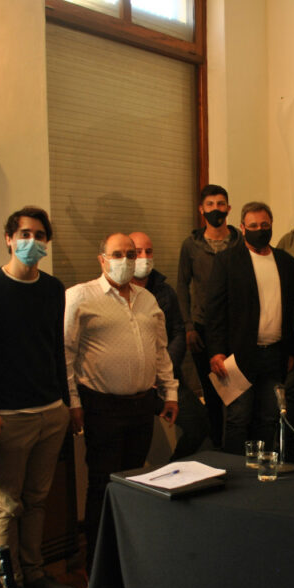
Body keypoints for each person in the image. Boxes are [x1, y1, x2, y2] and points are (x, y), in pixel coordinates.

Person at [0, 206, 76, 588]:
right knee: (6, 504)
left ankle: (35, 572)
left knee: (38, 499)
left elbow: (55, 350)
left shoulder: (54, 289)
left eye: (40, 235)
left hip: (50, 412)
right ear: (9, 239)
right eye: (24, 234)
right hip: (8, 417)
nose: (32, 241)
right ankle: (11, 585)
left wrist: (65, 404)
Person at [65, 232, 178, 570]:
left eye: (131, 254)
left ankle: (126, 562)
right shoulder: (80, 296)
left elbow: (161, 351)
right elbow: (65, 354)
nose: (126, 261)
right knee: (103, 487)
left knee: (131, 484)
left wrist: (170, 392)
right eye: (118, 254)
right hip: (101, 407)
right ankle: (97, 567)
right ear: (102, 259)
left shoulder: (148, 299)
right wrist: (73, 402)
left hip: (142, 406)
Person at [206, 202, 294, 456]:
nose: (259, 230)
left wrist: (291, 351)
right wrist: (216, 351)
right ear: (242, 228)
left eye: (264, 225)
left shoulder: (286, 262)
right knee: (238, 418)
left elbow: (292, 309)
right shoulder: (226, 261)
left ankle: (263, 471)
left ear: (272, 225)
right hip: (237, 355)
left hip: (275, 354)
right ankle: (235, 473)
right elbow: (214, 310)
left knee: (269, 418)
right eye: (253, 226)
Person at [130, 230, 209, 459]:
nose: (144, 257)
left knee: (200, 423)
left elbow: (177, 331)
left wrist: (163, 368)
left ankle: (173, 470)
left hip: (167, 378)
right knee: (134, 447)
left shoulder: (164, 291)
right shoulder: (117, 292)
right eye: (137, 252)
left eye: (148, 251)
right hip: (133, 386)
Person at [177, 184, 241, 448]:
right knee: (212, 392)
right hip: (202, 329)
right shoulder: (191, 245)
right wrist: (188, 326)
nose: (216, 209)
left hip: (235, 328)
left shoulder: (240, 242)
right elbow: (182, 286)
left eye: (221, 203)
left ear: (229, 208)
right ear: (201, 209)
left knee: (238, 393)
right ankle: (216, 447)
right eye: (210, 204)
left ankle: (237, 447)